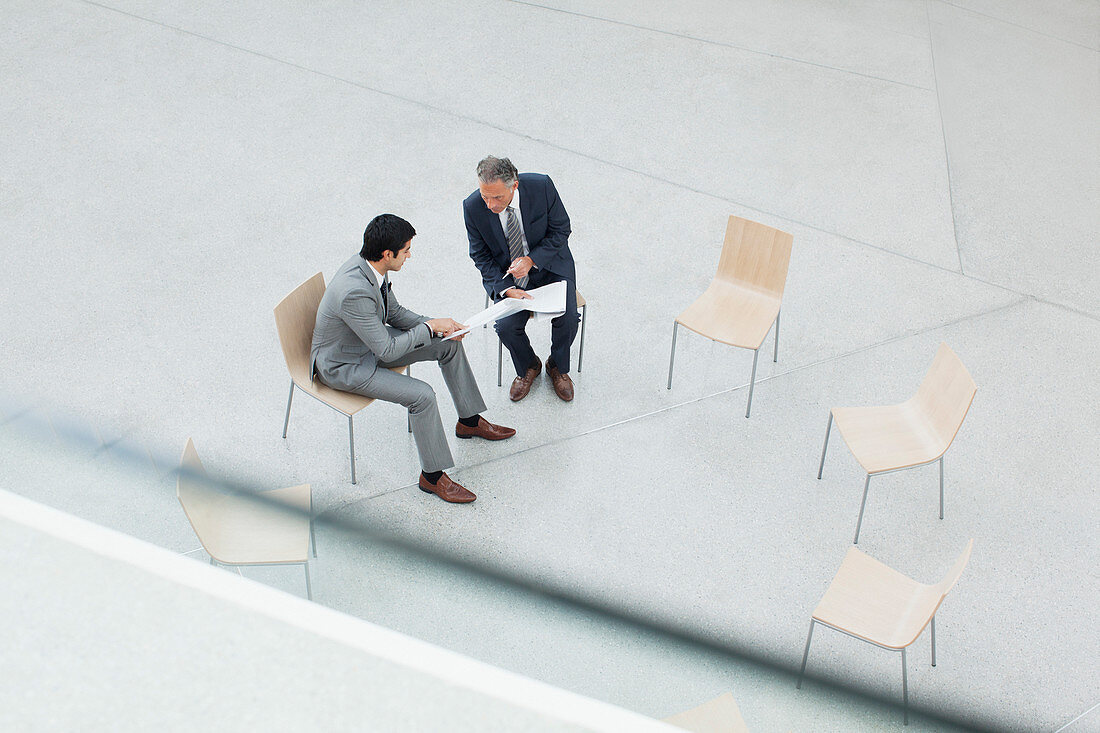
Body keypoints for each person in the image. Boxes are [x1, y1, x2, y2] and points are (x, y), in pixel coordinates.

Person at [310, 214, 515, 504]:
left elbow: (393, 314)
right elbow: (388, 352)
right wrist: (428, 328)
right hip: (345, 365)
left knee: (448, 346)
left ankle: (469, 421)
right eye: (406, 250)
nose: (409, 255)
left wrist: (438, 326)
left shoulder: (373, 268)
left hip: (368, 343)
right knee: (422, 396)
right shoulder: (354, 290)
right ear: (387, 253)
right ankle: (432, 478)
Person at [463, 156, 579, 402]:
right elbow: (480, 255)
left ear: (514, 186)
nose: (490, 205)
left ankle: (557, 366)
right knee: (505, 327)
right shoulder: (472, 206)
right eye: (485, 196)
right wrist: (505, 289)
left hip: (550, 265)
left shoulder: (541, 187)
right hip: (510, 276)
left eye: (498, 198)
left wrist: (532, 260)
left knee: (568, 318)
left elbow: (561, 229)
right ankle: (529, 366)